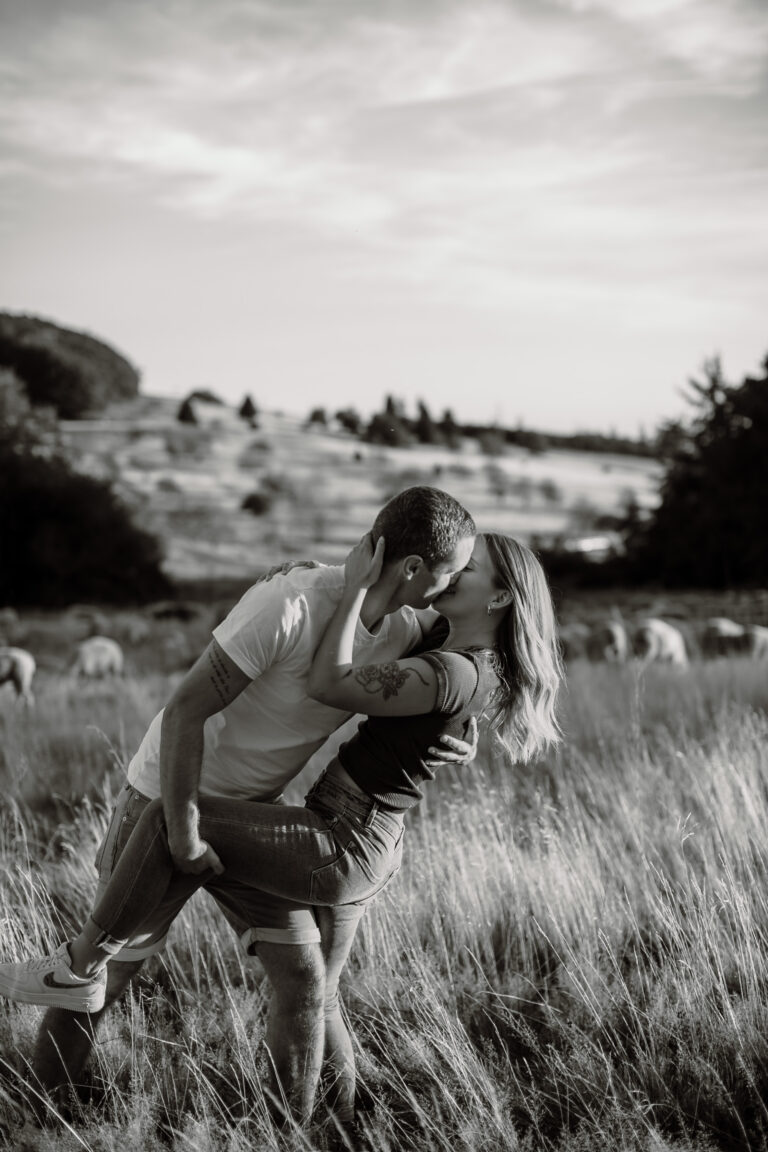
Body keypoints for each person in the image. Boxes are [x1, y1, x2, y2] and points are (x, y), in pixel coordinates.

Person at [0, 529, 563, 1138]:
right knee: (266, 983)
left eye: (467, 570)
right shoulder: (407, 626)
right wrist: (311, 577)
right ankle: (45, 1116)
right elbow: (191, 705)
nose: (452, 579)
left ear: (500, 597)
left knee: (295, 977)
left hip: (330, 833)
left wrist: (450, 711)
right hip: (215, 799)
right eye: (452, 567)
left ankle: (297, 1130)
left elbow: (346, 683)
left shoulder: (441, 654)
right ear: (409, 565)